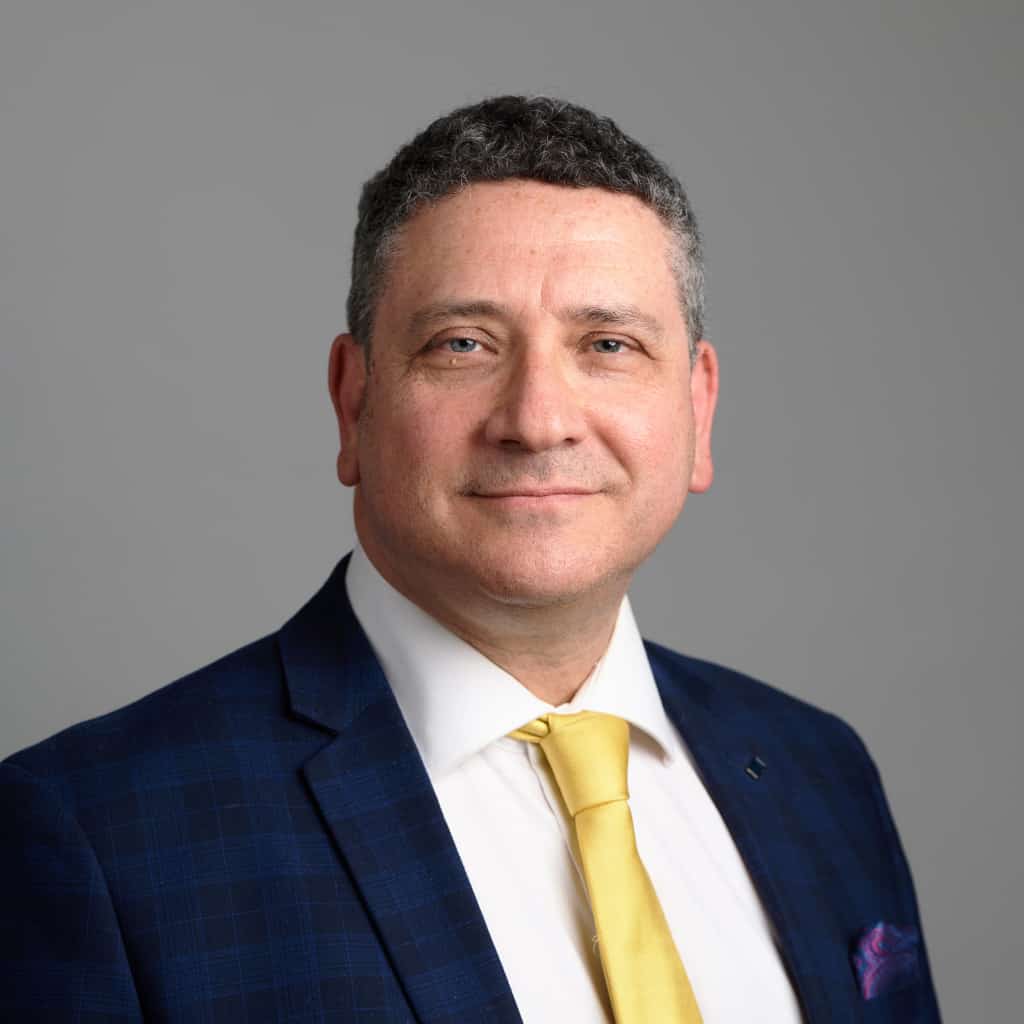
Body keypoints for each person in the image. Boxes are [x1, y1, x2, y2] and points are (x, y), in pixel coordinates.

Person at [0, 96, 941, 1023]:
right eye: (464, 345)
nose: (538, 420)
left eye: (608, 344)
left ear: (698, 408)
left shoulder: (819, 770)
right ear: (353, 402)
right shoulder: (96, 835)